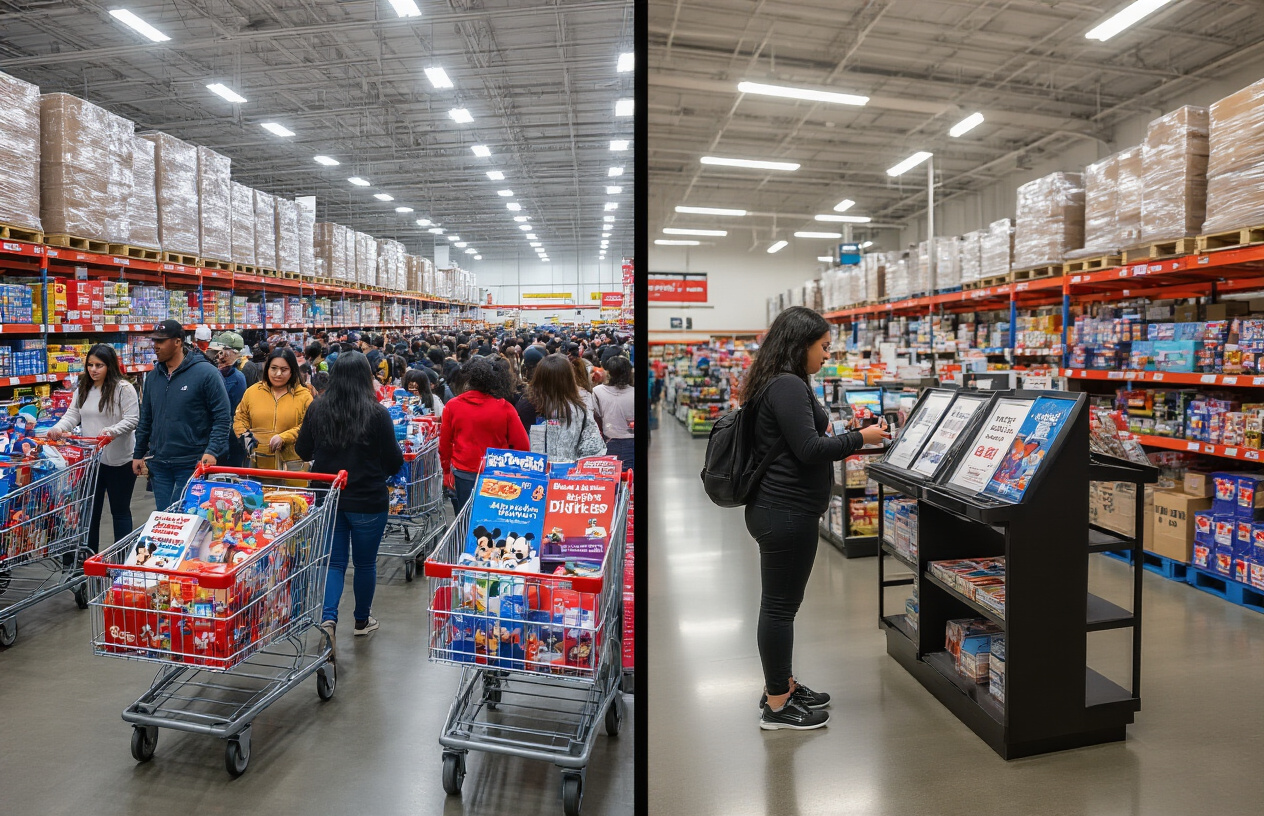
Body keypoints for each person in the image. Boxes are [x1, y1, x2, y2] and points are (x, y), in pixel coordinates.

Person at [741, 306, 890, 731]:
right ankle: (776, 705)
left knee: (781, 606)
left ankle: (784, 683)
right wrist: (862, 438)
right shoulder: (786, 385)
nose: (828, 354)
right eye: (824, 346)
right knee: (779, 609)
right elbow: (808, 448)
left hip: (780, 508)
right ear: (800, 344)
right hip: (784, 512)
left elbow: (798, 441)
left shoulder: (778, 381)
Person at [296, 352, 403, 649]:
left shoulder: (317, 408)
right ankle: (361, 620)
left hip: (328, 498)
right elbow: (394, 460)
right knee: (366, 563)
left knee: (334, 563)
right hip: (368, 499)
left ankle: (328, 620)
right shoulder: (377, 413)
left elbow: (304, 450)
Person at [46, 344, 140, 557]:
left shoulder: (123, 389)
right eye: (90, 365)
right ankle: (90, 557)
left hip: (120, 460)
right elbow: (72, 415)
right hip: (92, 462)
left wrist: (112, 431)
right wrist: (58, 428)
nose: (93, 370)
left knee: (120, 511)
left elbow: (132, 419)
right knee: (90, 513)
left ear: (110, 366)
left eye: (99, 365)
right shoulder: (83, 389)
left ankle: (122, 557)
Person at [132, 320, 232, 512]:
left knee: (187, 519)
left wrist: (211, 451)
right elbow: (146, 418)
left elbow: (222, 417)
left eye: (161, 341)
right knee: (166, 520)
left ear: (178, 342)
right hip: (160, 464)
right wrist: (138, 453)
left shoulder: (206, 373)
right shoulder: (154, 377)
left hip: (192, 463)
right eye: (154, 341)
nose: (156, 346)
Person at [439, 357, 530, 516]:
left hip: (464, 474)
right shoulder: (505, 408)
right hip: (496, 475)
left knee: (466, 521)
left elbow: (444, 445)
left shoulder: (452, 406)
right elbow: (522, 446)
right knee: (493, 520)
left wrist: (446, 471)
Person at [516, 354, 606, 463]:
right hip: (569, 472)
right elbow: (592, 448)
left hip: (534, 471)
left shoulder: (526, 404)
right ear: (569, 378)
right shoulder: (580, 405)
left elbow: (519, 445)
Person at [234, 348, 312, 472]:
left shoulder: (304, 396)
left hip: (292, 467)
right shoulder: (252, 392)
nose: (278, 374)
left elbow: (308, 426)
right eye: (274, 368)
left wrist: (284, 437)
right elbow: (240, 418)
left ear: (292, 371)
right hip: (257, 465)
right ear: (267, 369)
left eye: (284, 369)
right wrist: (246, 437)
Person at [210, 332, 248, 467]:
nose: (219, 355)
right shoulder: (217, 373)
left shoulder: (238, 376)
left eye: (223, 351)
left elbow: (235, 410)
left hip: (230, 436)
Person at [593, 355, 634, 471]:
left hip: (609, 442)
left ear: (609, 373)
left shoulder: (598, 392)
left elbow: (597, 417)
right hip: (631, 442)